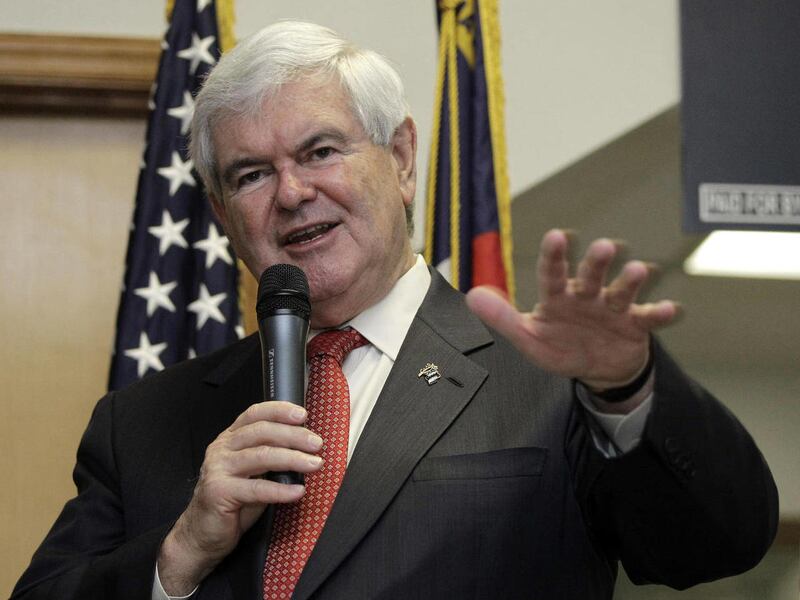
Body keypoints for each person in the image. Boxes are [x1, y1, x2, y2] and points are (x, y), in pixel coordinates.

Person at [12, 21, 777, 600]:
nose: (292, 193)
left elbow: (714, 545)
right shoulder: (142, 422)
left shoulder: (548, 380)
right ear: (221, 214)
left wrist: (627, 389)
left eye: (320, 151)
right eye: (251, 174)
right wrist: (181, 553)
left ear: (403, 159)